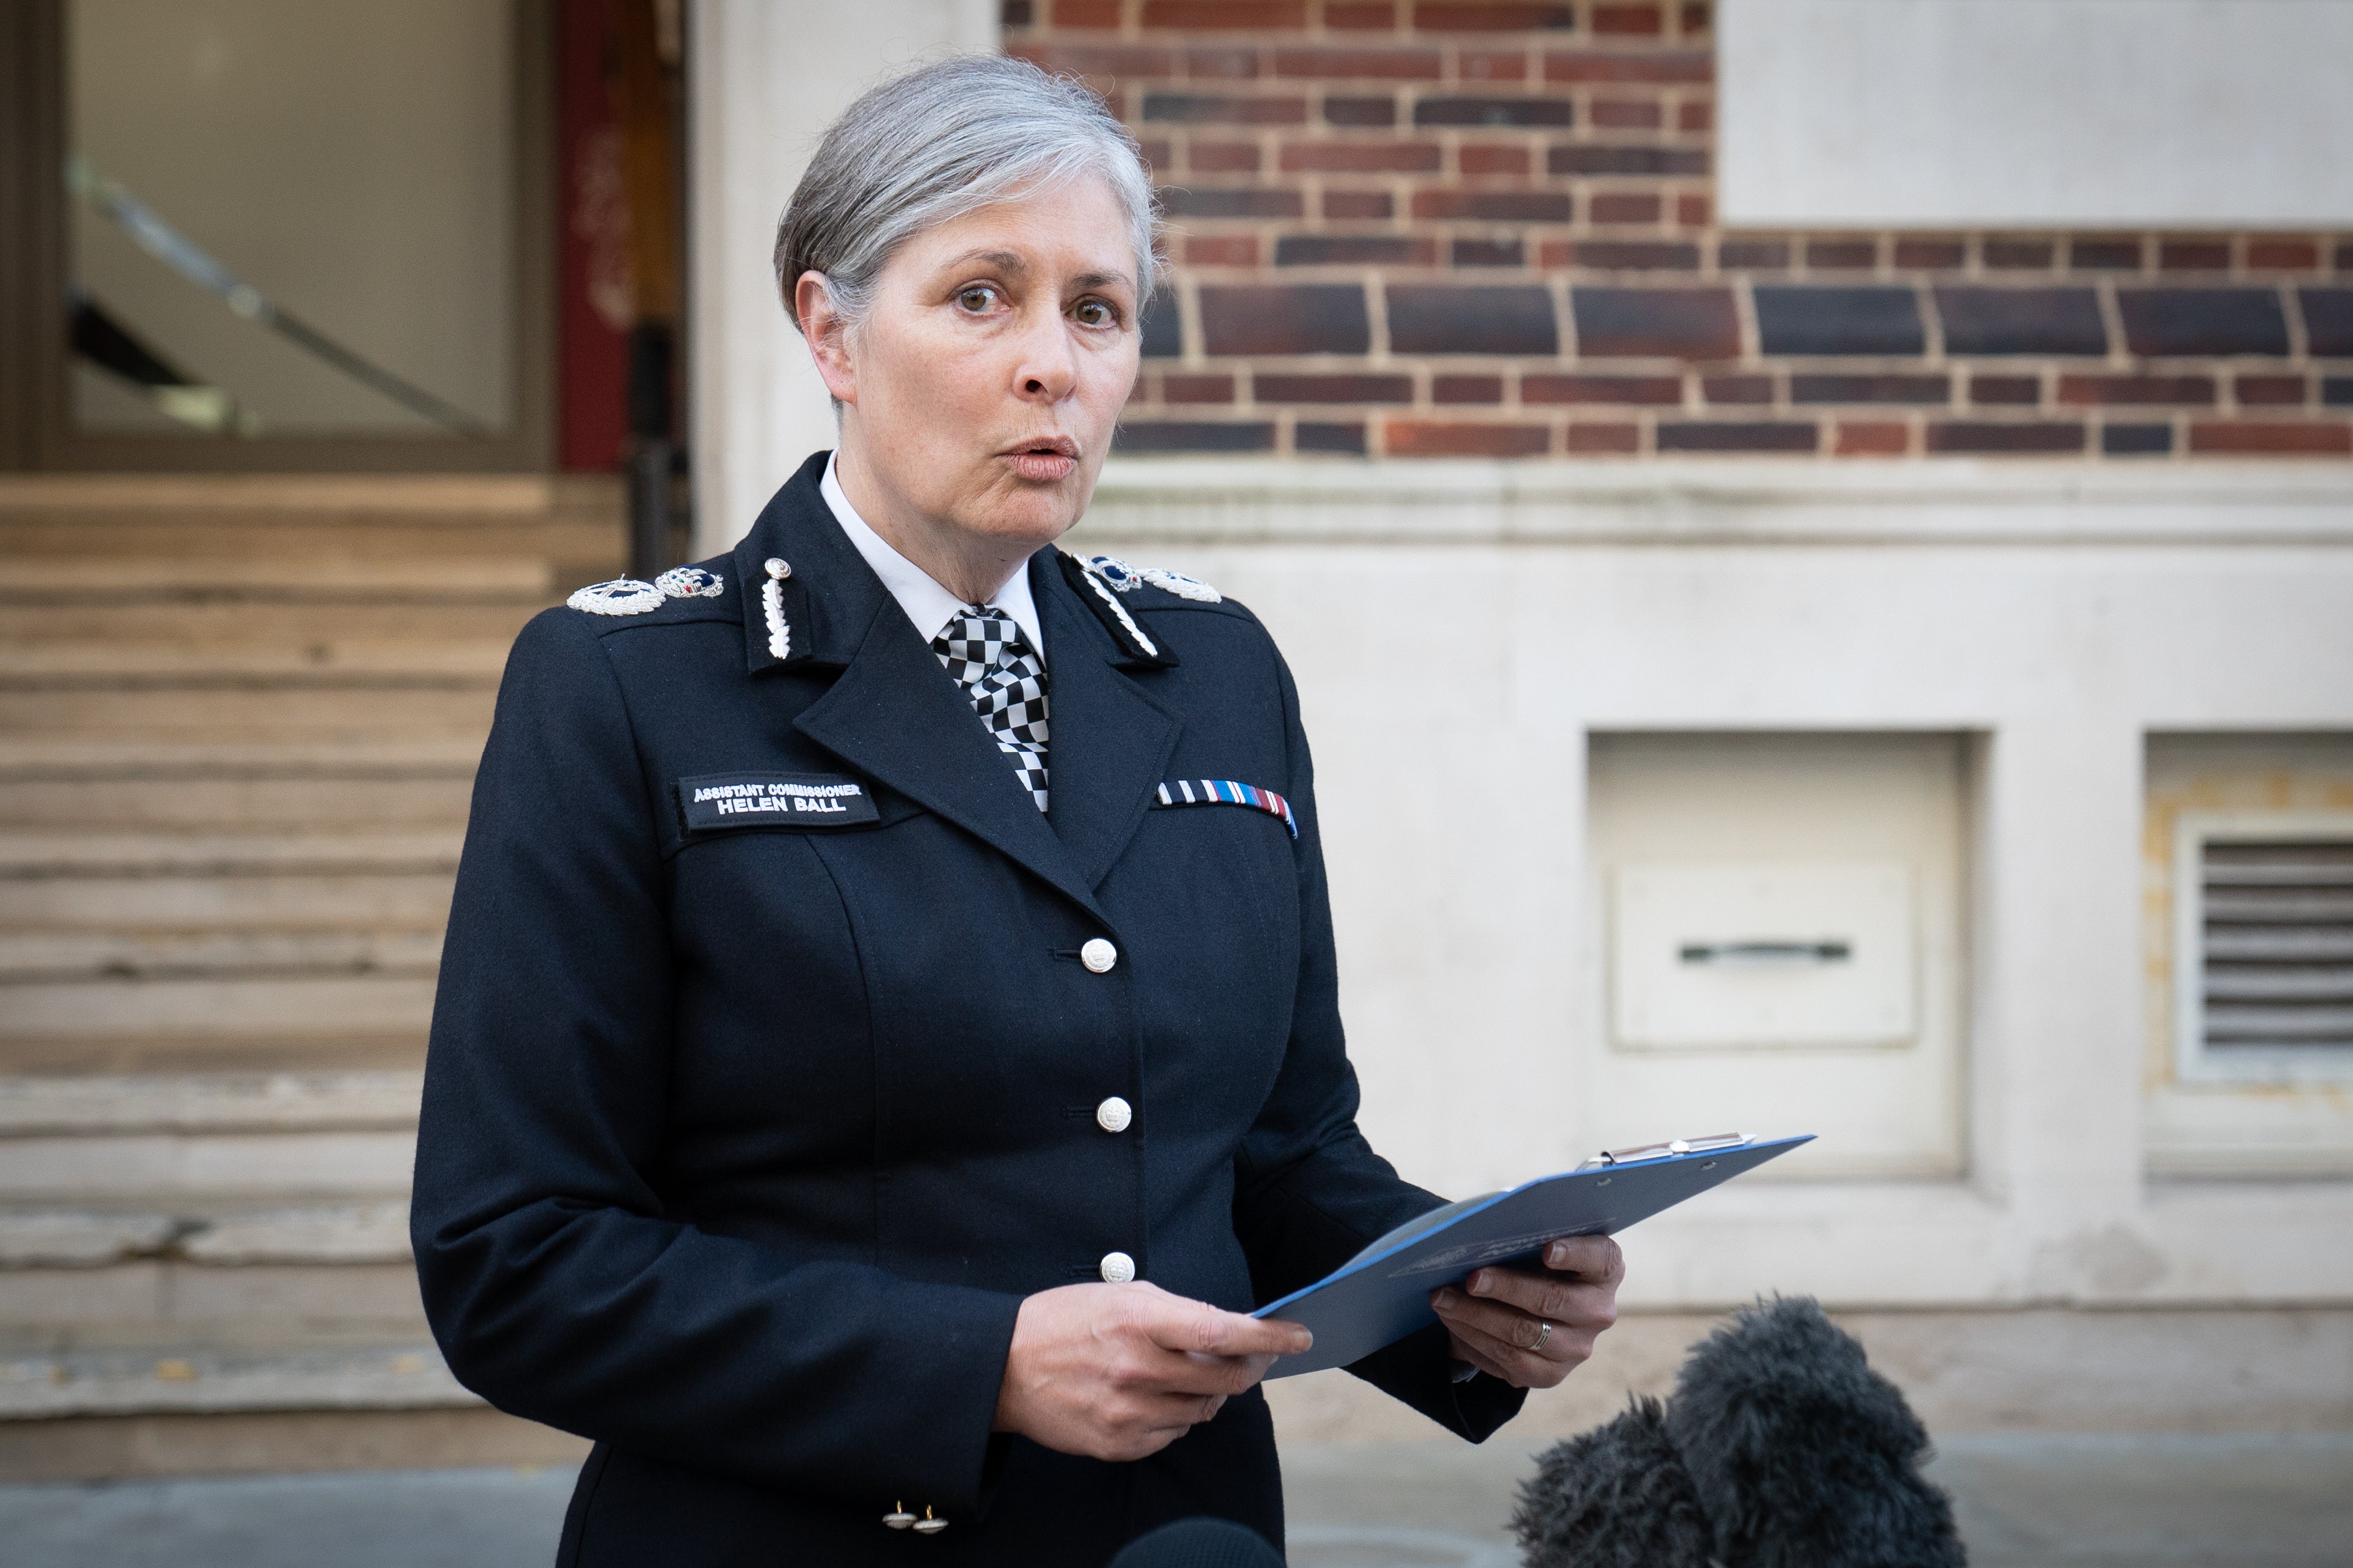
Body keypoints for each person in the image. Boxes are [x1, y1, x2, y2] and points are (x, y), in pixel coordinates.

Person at [410, 54, 1621, 1566]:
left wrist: (1462, 1289)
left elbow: (1275, 1157)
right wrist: (976, 1364)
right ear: (830, 329)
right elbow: (515, 1260)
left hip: (1177, 1540)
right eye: (982, 295)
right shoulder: (626, 684)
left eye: (1095, 308)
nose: (1053, 361)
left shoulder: (1215, 670)